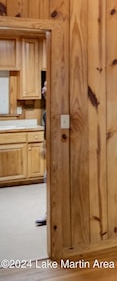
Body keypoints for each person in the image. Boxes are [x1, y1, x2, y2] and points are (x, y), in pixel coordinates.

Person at [35, 81, 47, 226]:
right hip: (51, 155)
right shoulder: (45, 114)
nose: (43, 89)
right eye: (43, 86)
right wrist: (44, 147)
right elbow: (47, 135)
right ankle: (49, 212)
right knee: (47, 180)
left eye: (46, 85)